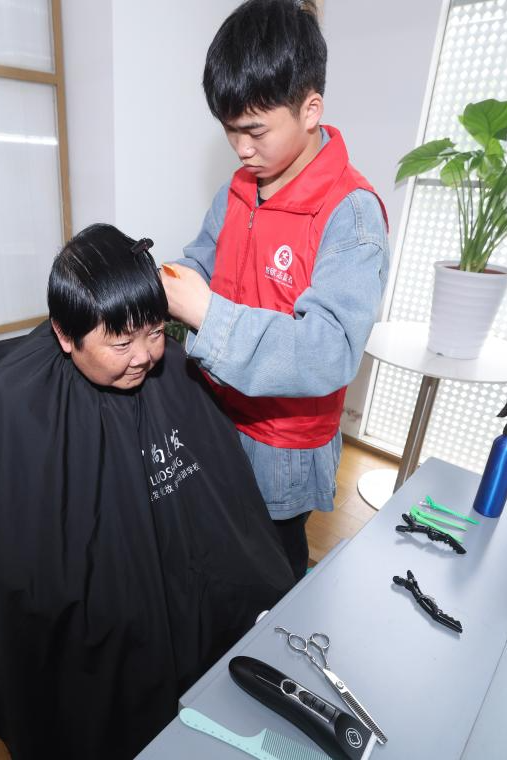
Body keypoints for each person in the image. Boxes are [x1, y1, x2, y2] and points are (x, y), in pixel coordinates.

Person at [0, 223, 294, 759]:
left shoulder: (172, 372)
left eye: (154, 332)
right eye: (120, 343)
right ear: (64, 335)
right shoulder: (12, 398)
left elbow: (223, 493)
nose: (144, 356)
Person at [161, 0, 390, 580]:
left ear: (310, 108)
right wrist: (163, 283)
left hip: (282, 442)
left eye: (255, 131)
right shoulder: (238, 189)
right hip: (218, 413)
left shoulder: (350, 215)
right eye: (230, 130)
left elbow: (329, 350)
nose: (241, 149)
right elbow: (201, 261)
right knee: (218, 549)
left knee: (271, 565)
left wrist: (207, 314)